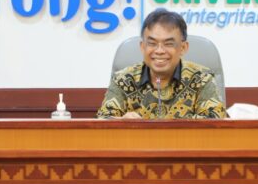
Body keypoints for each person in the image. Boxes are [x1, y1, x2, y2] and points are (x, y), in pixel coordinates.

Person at [97, 9, 226, 119]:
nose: (159, 51)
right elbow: (103, 121)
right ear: (142, 47)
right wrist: (121, 122)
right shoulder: (123, 79)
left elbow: (214, 120)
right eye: (152, 43)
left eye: (169, 44)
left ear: (183, 48)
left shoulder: (201, 78)